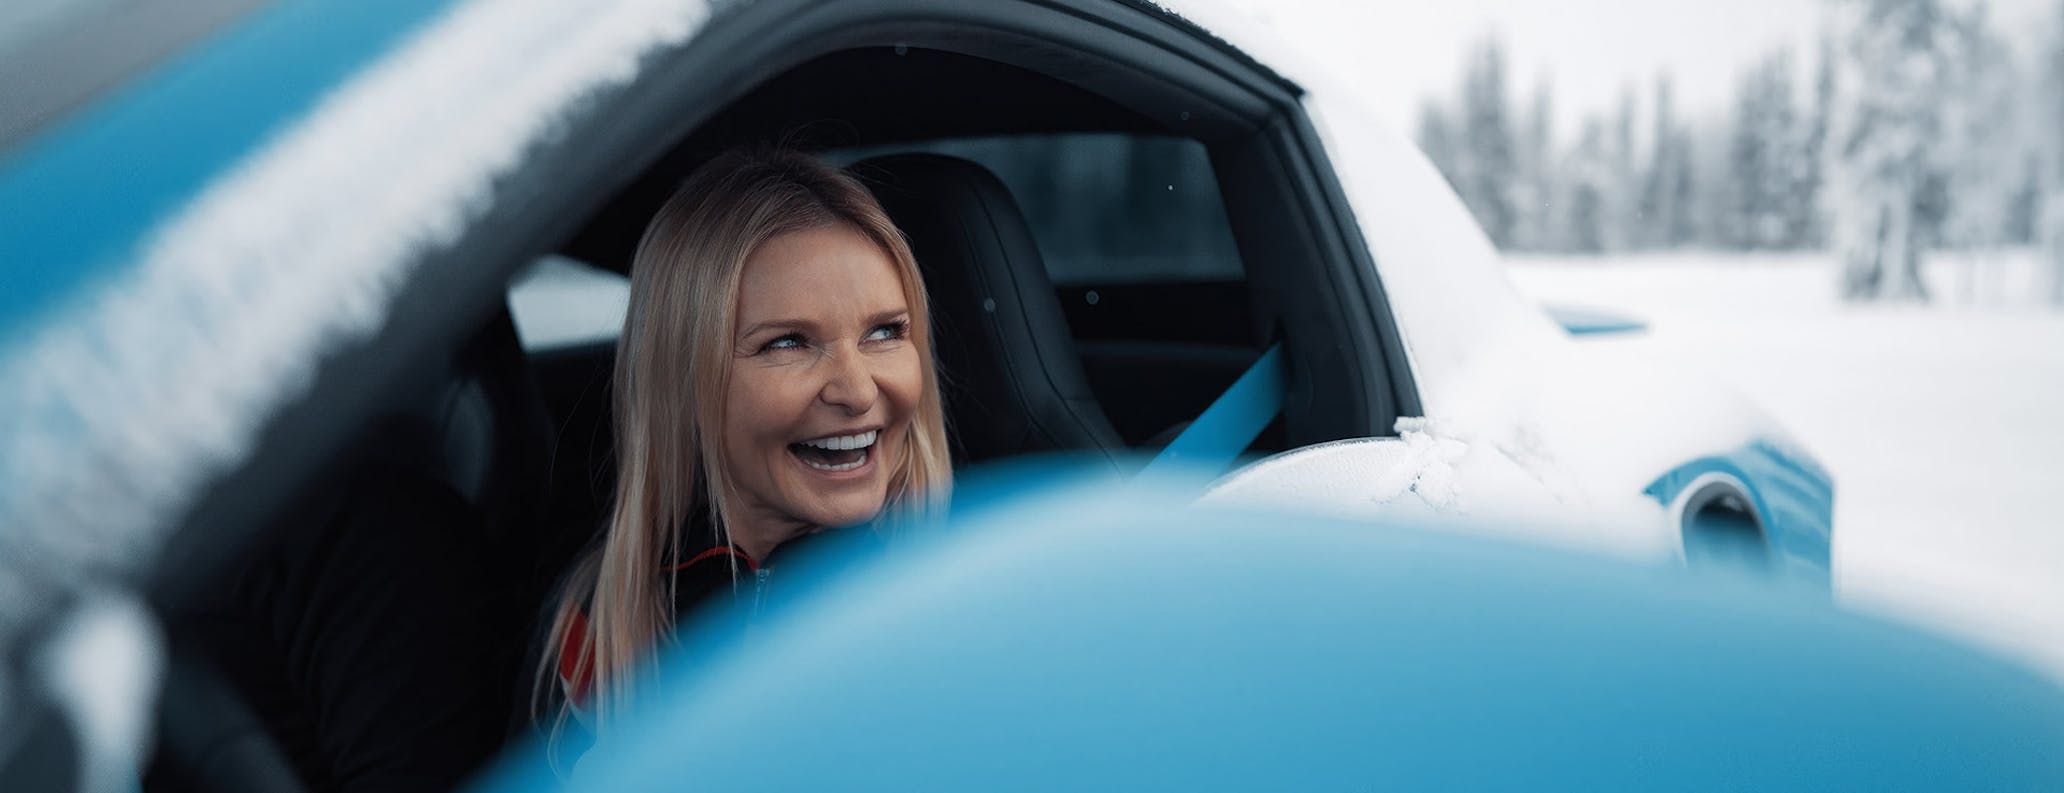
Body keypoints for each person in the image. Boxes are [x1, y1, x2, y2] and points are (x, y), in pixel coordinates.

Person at [533, 149, 953, 758]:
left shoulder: (972, 600)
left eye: (885, 332)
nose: (859, 390)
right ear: (682, 378)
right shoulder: (601, 628)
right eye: (788, 342)